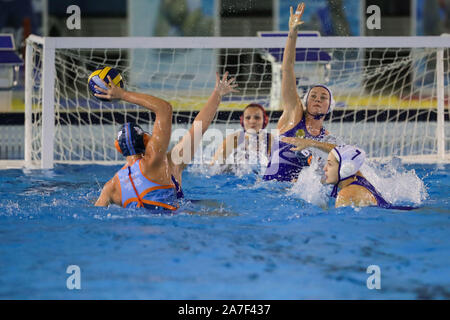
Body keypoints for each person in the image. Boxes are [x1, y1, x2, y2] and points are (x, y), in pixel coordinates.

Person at [95, 72, 238, 210]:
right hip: (177, 218)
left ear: (118, 148)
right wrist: (217, 94)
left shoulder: (111, 188)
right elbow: (198, 127)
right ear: (146, 139)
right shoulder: (169, 162)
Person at [263, 2, 338, 182]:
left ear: (329, 106)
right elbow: (287, 69)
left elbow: (334, 162)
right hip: (270, 191)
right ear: (306, 101)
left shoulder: (326, 138)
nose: (317, 99)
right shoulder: (294, 116)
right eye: (313, 96)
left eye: (323, 97)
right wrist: (292, 32)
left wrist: (311, 144)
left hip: (295, 195)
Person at [322, 144, 416, 209]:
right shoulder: (358, 178)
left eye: (330, 164)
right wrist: (312, 144)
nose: (324, 168)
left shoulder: (346, 194)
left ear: (345, 169)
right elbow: (345, 154)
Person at [210, 103, 274, 169]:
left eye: (257, 117)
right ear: (242, 121)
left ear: (265, 120)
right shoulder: (233, 139)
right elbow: (214, 166)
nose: (252, 121)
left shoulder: (270, 140)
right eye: (248, 118)